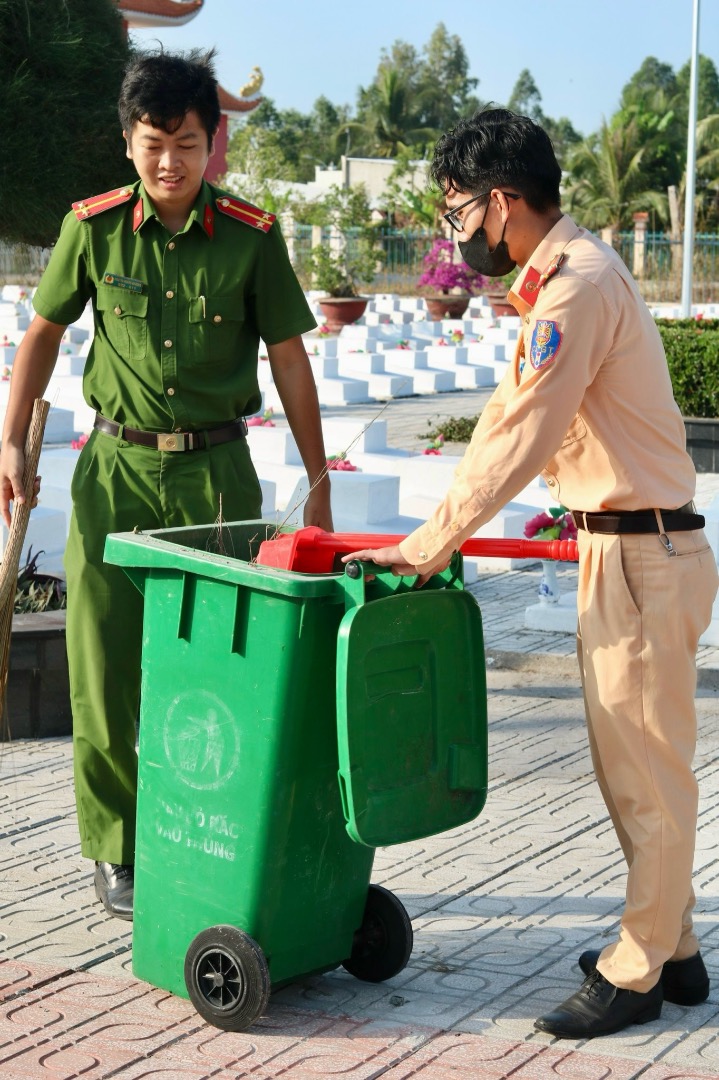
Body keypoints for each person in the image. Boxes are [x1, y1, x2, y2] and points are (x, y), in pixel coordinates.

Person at [343, 108, 718, 1039]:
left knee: (646, 772)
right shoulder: (562, 279)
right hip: (626, 548)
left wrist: (427, 543)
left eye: (458, 210)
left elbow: (515, 435)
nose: (455, 232)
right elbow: (510, 421)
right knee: (628, 765)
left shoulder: (575, 287)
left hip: (640, 551)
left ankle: (636, 969)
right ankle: (670, 951)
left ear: (503, 202)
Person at [0, 49, 332, 921]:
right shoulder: (95, 227)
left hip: (218, 477)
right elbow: (40, 334)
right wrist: (10, 438)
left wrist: (316, 470)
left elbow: (289, 357)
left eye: (186, 143)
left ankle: (205, 833)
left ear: (212, 143)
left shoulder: (253, 238)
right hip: (115, 472)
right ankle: (114, 849)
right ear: (128, 143)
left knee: (218, 672)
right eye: (153, 144)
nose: (169, 164)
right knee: (102, 665)